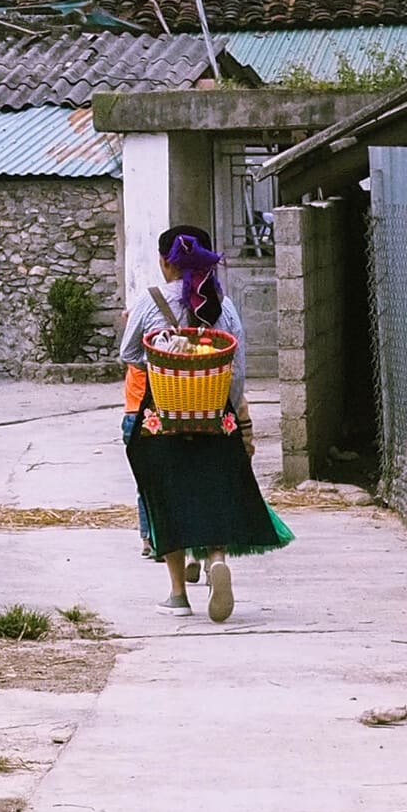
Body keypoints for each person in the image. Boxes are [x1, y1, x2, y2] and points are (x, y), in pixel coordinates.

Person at [117, 224, 290, 621]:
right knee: (213, 489)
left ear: (165, 262)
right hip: (215, 418)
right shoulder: (223, 306)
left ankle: (178, 595)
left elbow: (129, 353)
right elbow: (238, 368)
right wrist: (226, 408)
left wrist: (166, 364)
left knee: (166, 496)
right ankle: (215, 560)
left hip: (162, 418)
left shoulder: (150, 301)